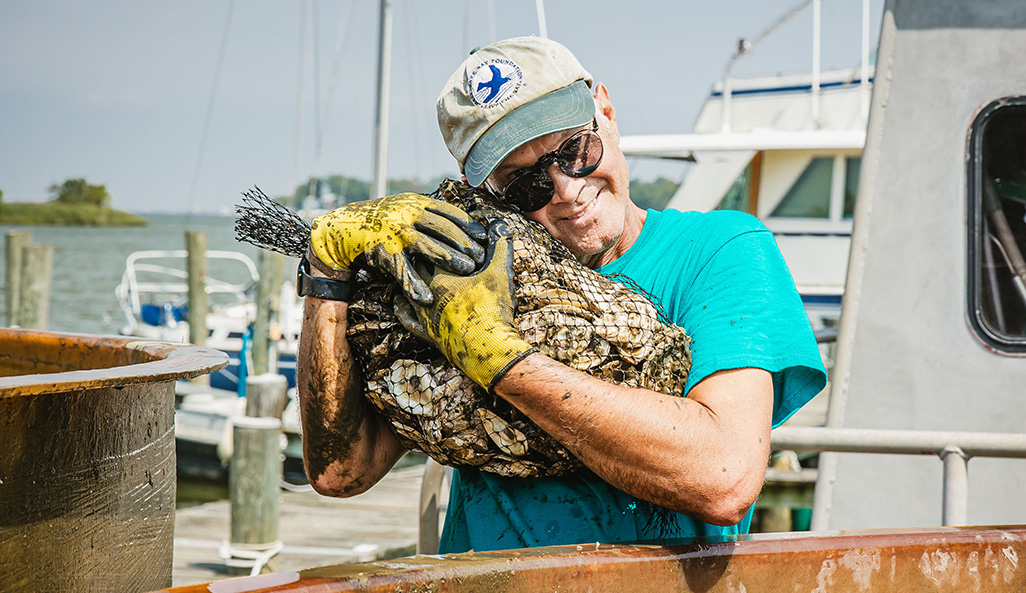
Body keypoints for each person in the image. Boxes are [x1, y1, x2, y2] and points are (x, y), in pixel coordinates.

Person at [296, 36, 826, 553]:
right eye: (526, 183)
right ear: (485, 192)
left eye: (575, 149)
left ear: (606, 111)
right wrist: (326, 275)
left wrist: (503, 362)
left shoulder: (720, 249)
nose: (567, 190)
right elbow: (343, 470)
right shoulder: (455, 272)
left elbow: (724, 478)